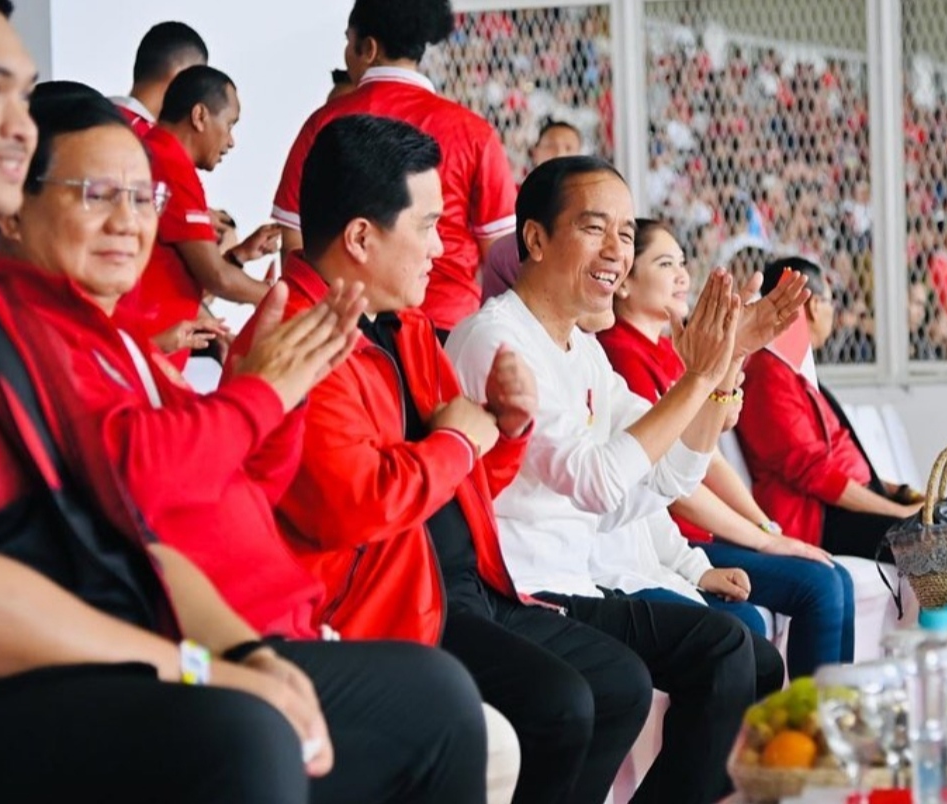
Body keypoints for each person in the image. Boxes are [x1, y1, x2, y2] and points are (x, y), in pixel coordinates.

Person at [0, 11, 489, 800]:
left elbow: (172, 522)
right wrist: (260, 395)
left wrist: (246, 656)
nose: (131, 223)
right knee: (258, 734)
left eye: (144, 200)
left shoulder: (78, 332)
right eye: (99, 194)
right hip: (67, 669)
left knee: (442, 700)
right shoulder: (34, 326)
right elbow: (125, 500)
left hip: (217, 628)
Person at [240, 113, 653, 804]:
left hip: (490, 576)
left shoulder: (404, 327)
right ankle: (910, 577)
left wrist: (503, 431)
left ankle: (911, 592)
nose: (447, 249)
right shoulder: (302, 341)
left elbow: (467, 481)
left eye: (640, 244)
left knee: (718, 648)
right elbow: (366, 502)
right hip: (410, 595)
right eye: (431, 225)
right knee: (600, 692)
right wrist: (707, 384)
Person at [447, 155, 810, 803]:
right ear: (534, 239)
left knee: (745, 657)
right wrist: (700, 377)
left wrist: (726, 365)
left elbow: (661, 478)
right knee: (713, 656)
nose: (617, 250)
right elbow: (596, 482)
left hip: (573, 581)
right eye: (595, 228)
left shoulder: (580, 347)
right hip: (517, 590)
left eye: (624, 232)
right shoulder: (494, 339)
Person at [596, 219, 855, 677]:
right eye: (664, 263)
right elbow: (673, 485)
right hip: (677, 535)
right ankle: (807, 736)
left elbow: (708, 455)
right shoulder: (621, 355)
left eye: (682, 263)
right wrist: (764, 540)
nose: (682, 276)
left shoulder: (667, 351)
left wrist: (763, 524)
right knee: (819, 586)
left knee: (832, 578)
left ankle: (827, 730)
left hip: (695, 537)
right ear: (624, 284)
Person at [273, 0, 517, 337]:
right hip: (449, 326)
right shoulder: (475, 132)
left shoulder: (323, 123)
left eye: (348, 41)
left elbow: (293, 241)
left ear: (368, 48)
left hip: (346, 329)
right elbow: (501, 257)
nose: (346, 53)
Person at [735, 256, 924, 561]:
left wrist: (896, 492)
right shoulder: (769, 376)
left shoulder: (795, 369)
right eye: (830, 302)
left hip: (849, 507)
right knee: (940, 540)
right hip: (823, 520)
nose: (833, 312)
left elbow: (838, 458)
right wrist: (899, 512)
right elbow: (816, 473)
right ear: (811, 305)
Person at [125, 65, 280, 368]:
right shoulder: (171, 166)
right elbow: (216, 277)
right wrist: (281, 299)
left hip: (153, 352)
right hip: (151, 357)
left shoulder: (154, 153)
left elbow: (187, 273)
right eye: (230, 124)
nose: (231, 141)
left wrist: (239, 255)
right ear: (199, 116)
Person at [481, 117, 584, 302]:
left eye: (569, 148)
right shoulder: (512, 195)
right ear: (535, 152)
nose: (560, 153)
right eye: (551, 146)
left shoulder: (587, 203)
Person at [108, 21, 208, 137]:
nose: (199, 96)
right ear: (180, 75)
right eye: (197, 81)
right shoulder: (143, 141)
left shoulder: (95, 116)